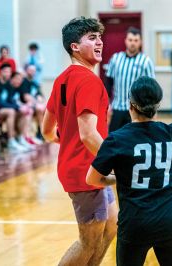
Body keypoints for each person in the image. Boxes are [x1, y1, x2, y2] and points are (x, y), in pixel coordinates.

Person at [86, 74, 172, 266]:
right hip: (171, 221)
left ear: (130, 105)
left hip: (135, 224)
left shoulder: (116, 140)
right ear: (158, 106)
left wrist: (119, 178)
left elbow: (92, 179)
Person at [41, 17, 117, 265]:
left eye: (100, 37)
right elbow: (88, 134)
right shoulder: (88, 80)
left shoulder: (62, 79)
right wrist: (115, 161)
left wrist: (67, 142)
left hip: (86, 168)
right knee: (89, 243)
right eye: (92, 38)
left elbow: (46, 130)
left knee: (112, 226)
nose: (100, 42)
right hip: (86, 174)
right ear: (75, 46)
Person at [105, 27, 155, 132]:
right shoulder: (115, 58)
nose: (133, 43)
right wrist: (107, 104)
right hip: (117, 108)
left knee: (134, 142)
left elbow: (150, 88)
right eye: (130, 40)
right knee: (114, 141)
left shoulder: (145, 61)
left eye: (136, 40)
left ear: (140, 42)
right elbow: (109, 82)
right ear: (126, 41)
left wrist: (150, 110)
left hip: (137, 110)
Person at [0, 64, 31, 152]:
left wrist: (20, 107)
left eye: (10, 72)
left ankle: (21, 138)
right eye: (6, 72)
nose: (8, 74)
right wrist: (16, 107)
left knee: (23, 111)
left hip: (6, 109)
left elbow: (11, 100)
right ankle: (11, 142)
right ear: (1, 72)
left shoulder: (8, 85)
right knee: (11, 111)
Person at [22, 64, 46, 141]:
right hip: (28, 105)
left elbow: (41, 95)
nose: (32, 72)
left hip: (36, 104)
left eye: (34, 71)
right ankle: (41, 132)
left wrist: (41, 100)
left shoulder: (35, 83)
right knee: (40, 108)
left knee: (46, 109)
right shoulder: (24, 82)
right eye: (30, 70)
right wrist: (36, 102)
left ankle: (41, 131)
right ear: (26, 71)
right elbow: (26, 97)